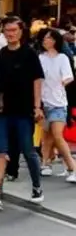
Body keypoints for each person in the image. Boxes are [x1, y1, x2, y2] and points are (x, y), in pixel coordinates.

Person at [0, 15, 45, 211]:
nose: (10, 34)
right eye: (7, 31)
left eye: (14, 30)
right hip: (4, 110)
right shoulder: (1, 55)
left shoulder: (29, 54)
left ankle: (37, 185)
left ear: (21, 32)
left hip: (24, 109)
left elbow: (37, 80)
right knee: (0, 150)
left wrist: (37, 106)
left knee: (27, 150)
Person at [37, 27, 76, 181]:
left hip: (59, 103)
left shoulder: (62, 58)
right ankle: (46, 163)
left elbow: (69, 77)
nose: (46, 41)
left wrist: (61, 83)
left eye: (50, 38)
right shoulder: (40, 58)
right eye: (45, 38)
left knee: (58, 135)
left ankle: (72, 167)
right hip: (43, 102)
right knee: (46, 135)